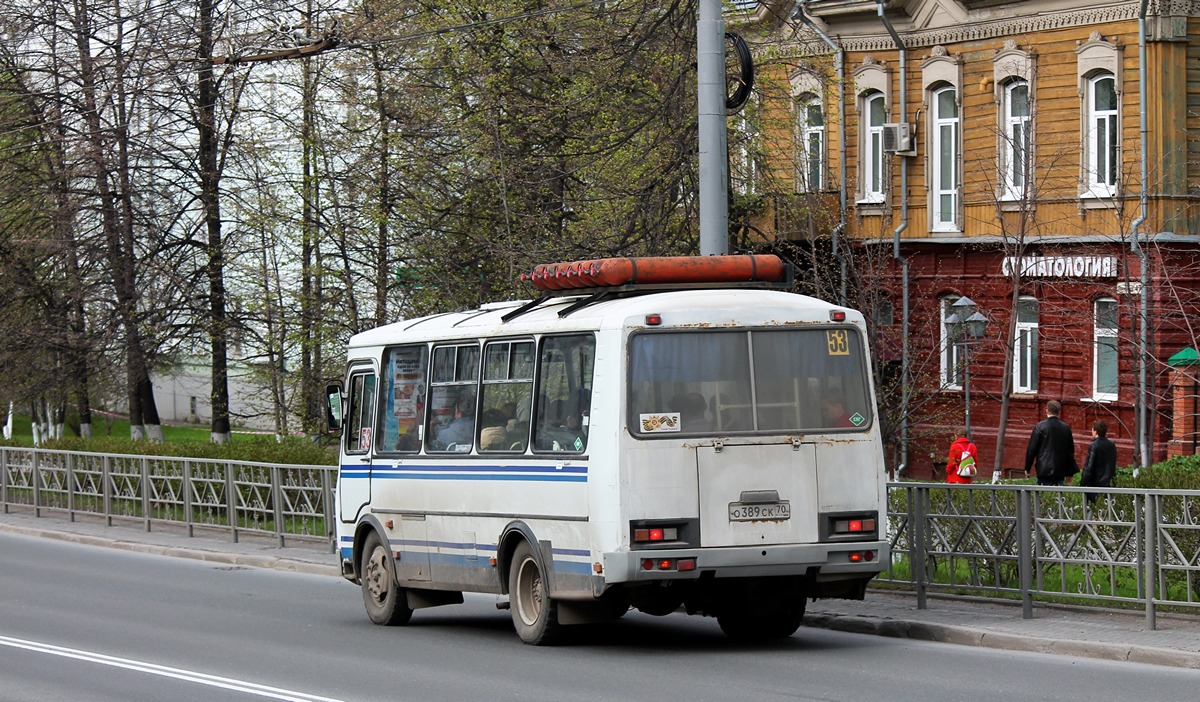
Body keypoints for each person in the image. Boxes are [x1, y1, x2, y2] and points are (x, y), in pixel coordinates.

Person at [1023, 400, 1079, 486]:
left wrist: (1028, 468)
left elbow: (1031, 449)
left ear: (1047, 410)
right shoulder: (1066, 428)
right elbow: (1070, 452)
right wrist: (1069, 473)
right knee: (1058, 496)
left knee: (1043, 495)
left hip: (1043, 468)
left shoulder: (1039, 427)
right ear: (1059, 412)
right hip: (1060, 469)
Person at [1079, 419, 1117, 504]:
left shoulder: (1094, 446)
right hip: (1109, 484)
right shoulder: (1111, 445)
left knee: (1093, 510)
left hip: (1096, 485)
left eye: (1092, 430)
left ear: (1095, 432)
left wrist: (1083, 483)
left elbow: (1089, 467)